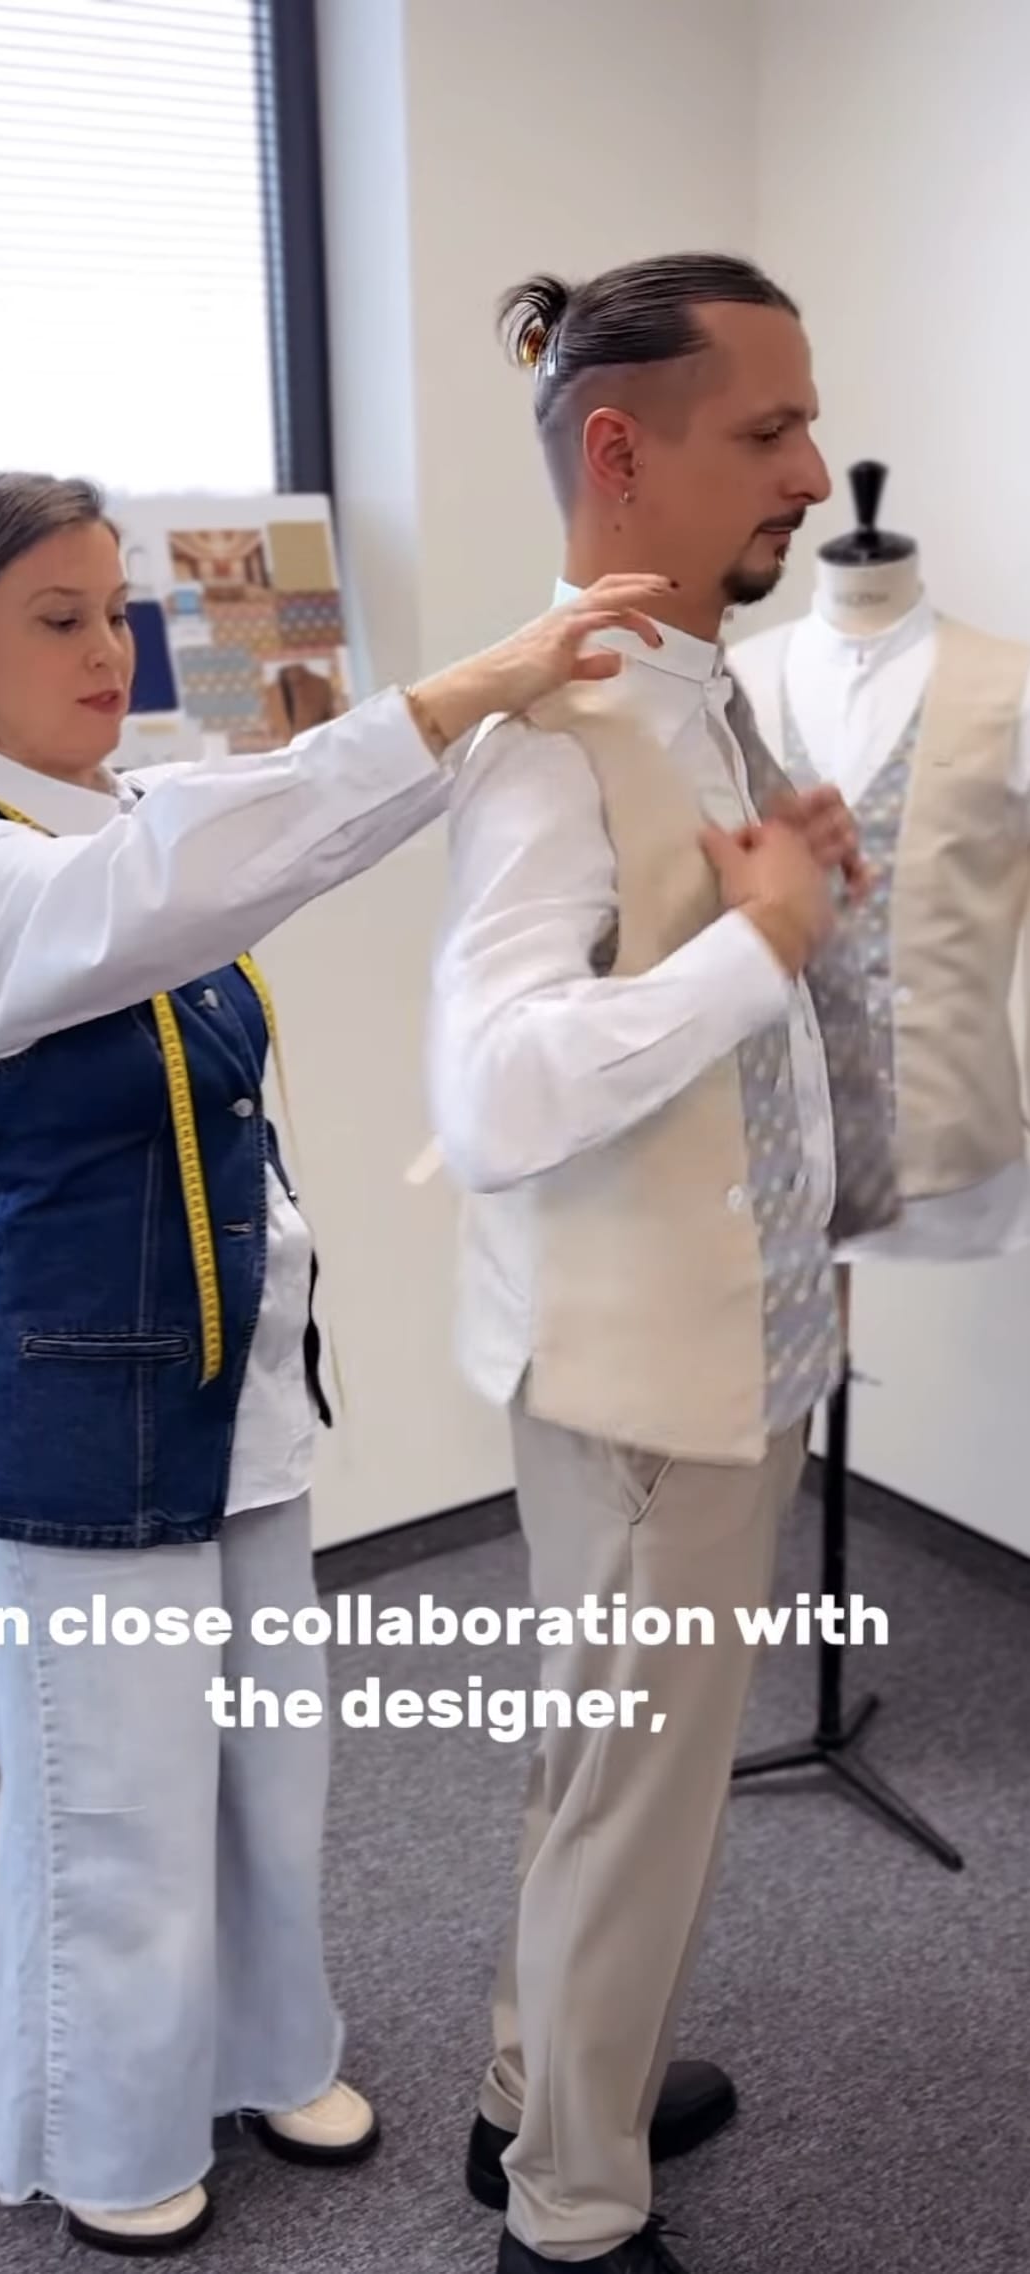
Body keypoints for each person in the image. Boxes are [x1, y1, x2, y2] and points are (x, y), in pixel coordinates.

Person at [0, 463, 670, 2257]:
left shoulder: (127, 812)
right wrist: (468, 685)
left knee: (261, 1772)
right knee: (113, 1814)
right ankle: (109, 2136)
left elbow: (288, 817)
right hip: (62, 1431)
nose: (109, 648)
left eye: (116, 610)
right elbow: (213, 863)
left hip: (229, 1405)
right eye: (55, 619)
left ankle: (262, 2052)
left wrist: (506, 713)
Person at [427, 254, 897, 2274]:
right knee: (635, 1803)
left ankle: (539, 2093)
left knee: (604, 1771)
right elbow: (498, 1089)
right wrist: (764, 941)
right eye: (767, 431)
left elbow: (701, 1003)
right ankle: (570, 2209)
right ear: (620, 450)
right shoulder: (558, 730)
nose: (809, 470)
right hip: (647, 1386)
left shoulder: (696, 690)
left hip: (721, 1348)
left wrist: (783, 921)